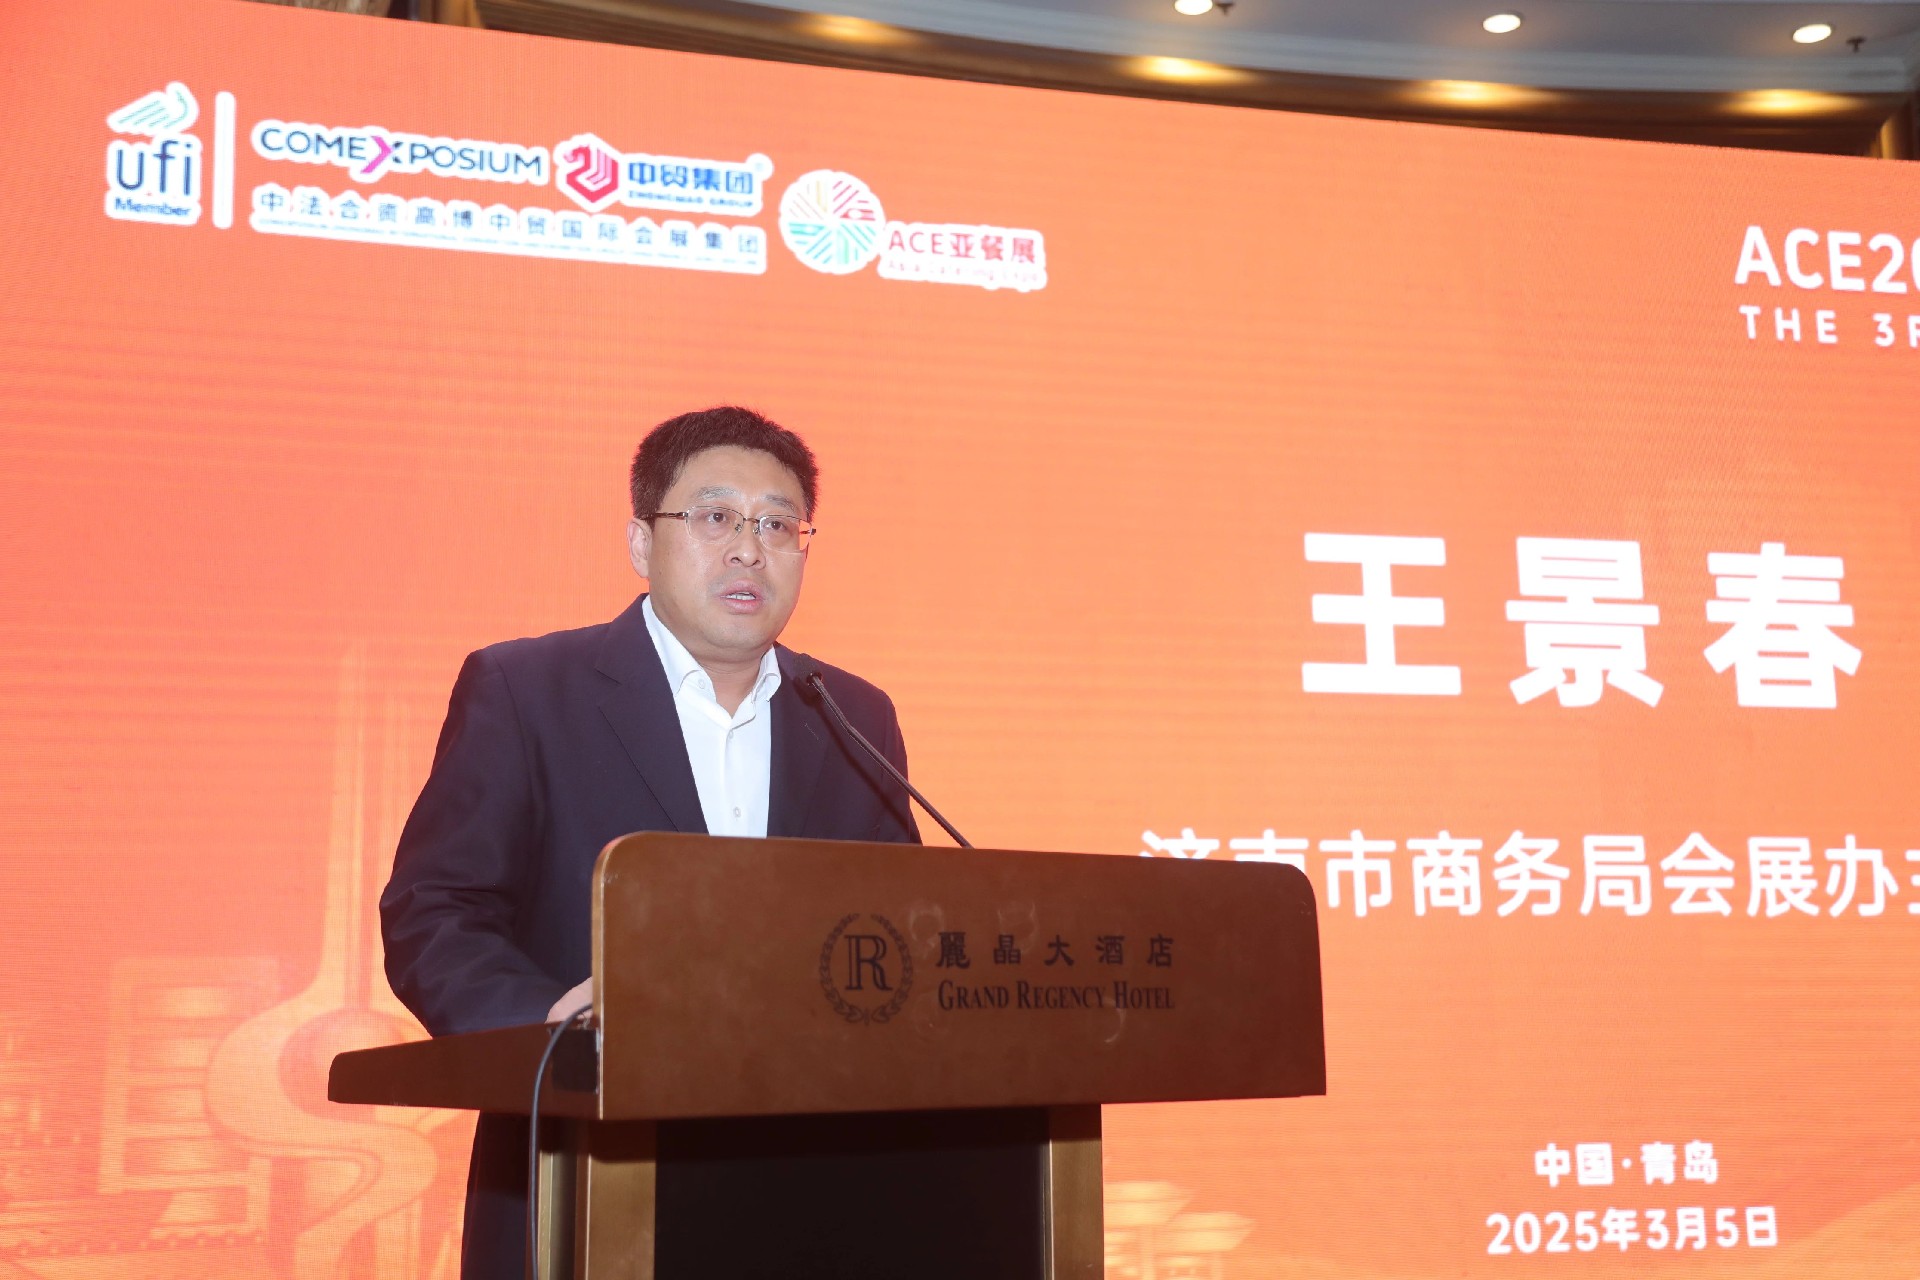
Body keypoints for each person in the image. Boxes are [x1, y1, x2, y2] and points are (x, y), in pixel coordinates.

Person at [380, 405, 920, 1279]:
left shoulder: (853, 715)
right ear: (641, 541)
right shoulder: (525, 689)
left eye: (777, 525)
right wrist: (548, 1026)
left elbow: (900, 933)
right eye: (716, 517)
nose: (749, 549)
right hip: (585, 1168)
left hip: (814, 1186)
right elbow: (434, 910)